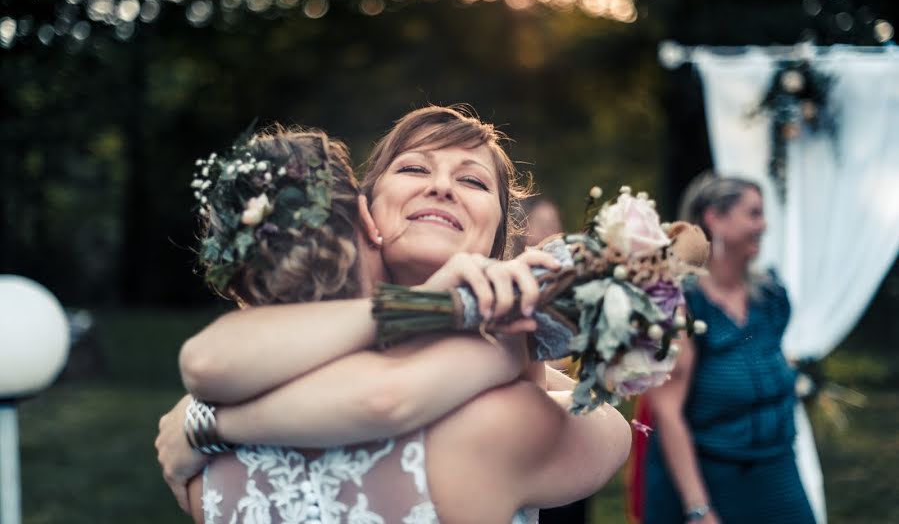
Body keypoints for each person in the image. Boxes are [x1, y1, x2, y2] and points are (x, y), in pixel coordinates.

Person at [156, 107, 632, 523]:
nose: (442, 187)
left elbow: (603, 423)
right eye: (414, 168)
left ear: (498, 237)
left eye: (472, 180)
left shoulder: (230, 396)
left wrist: (203, 422)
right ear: (366, 212)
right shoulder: (244, 364)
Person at [640, 173, 814, 524]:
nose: (763, 226)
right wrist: (698, 507)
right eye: (753, 213)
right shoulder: (681, 302)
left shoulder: (771, 296)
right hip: (710, 476)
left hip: (777, 467)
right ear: (714, 218)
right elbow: (667, 411)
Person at [515, 195, 588, 524]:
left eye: (555, 225)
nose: (552, 233)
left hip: (571, 426)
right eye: (543, 226)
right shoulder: (512, 292)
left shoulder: (572, 286)